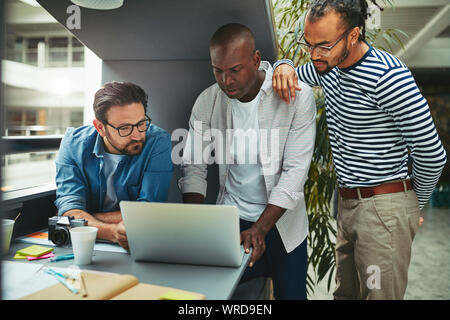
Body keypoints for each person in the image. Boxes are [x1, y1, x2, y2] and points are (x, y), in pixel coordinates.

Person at [271, 0, 447, 299]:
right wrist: (283, 64)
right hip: (348, 204)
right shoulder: (327, 66)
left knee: (377, 295)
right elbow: (293, 73)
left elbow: (431, 152)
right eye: (308, 43)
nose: (314, 54)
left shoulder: (389, 78)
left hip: (384, 206)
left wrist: (415, 204)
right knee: (346, 295)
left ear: (353, 36)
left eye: (323, 45)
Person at [178, 23, 316, 299]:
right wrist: (195, 224)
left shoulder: (296, 97)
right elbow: (194, 167)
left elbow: (294, 174)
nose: (226, 81)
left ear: (255, 60)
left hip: (283, 225)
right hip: (233, 219)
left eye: (235, 70)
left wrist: (260, 229)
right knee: (220, 297)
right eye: (218, 71)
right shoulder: (208, 101)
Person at [54, 81, 173, 249]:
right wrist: (111, 232)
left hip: (138, 241)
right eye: (124, 128)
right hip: (86, 243)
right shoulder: (73, 144)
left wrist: (85, 219)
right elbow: (69, 207)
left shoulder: (157, 141)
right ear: (100, 128)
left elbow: (150, 210)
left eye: (141, 123)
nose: (137, 135)